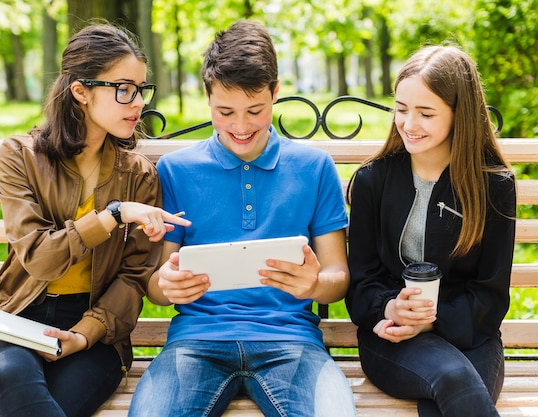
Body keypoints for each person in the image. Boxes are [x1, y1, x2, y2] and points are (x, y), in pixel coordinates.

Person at [129, 20, 356, 417]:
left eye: (255, 110)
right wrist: (167, 285)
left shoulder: (314, 167)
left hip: (293, 342)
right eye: (225, 111)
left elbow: (338, 277)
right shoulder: (176, 170)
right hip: (195, 341)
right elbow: (156, 285)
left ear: (275, 92)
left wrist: (315, 283)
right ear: (207, 97)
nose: (241, 126)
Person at [0, 23, 190, 417]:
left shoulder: (138, 174)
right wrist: (112, 215)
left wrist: (83, 335)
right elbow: (38, 257)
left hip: (96, 329)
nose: (137, 102)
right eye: (124, 89)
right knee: (10, 375)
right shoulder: (20, 156)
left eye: (141, 89)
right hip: (17, 318)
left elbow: (133, 276)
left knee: (59, 402)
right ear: (81, 91)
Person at [345, 45, 516, 416]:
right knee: (454, 378)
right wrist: (392, 308)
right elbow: (361, 285)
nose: (408, 124)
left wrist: (430, 320)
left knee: (447, 396)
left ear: (460, 115)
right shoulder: (373, 181)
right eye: (401, 109)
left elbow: (490, 294)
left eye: (426, 113)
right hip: (392, 337)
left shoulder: (494, 186)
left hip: (471, 336)